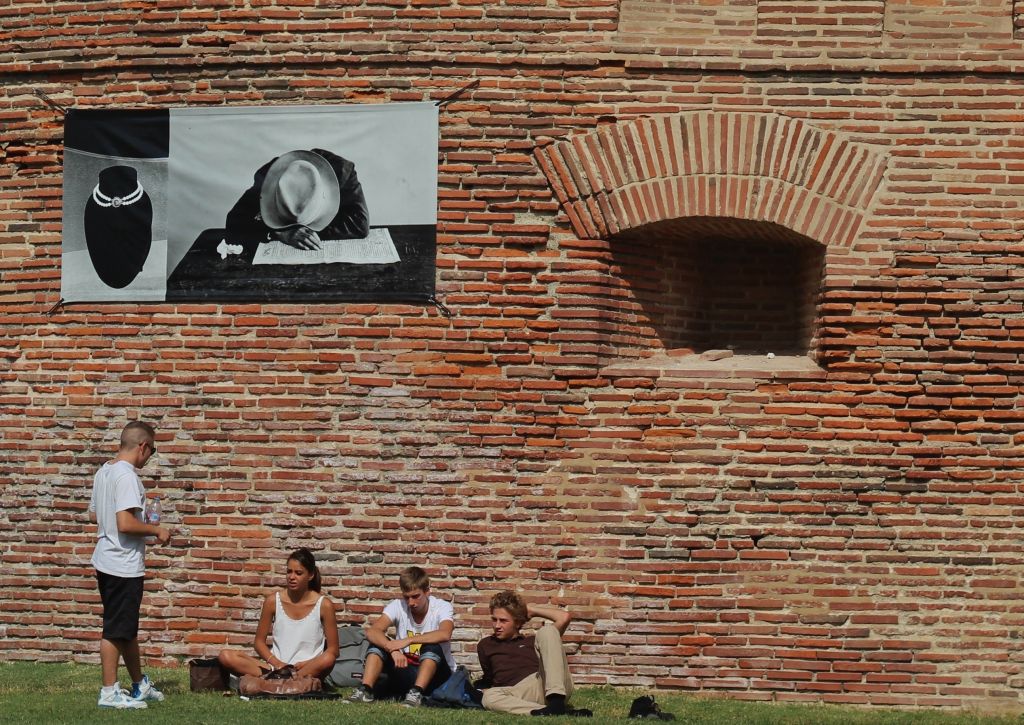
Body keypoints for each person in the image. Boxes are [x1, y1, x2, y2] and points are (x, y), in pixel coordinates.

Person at [88, 421, 171, 710]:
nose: (149, 458)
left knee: (126, 628)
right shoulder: (126, 476)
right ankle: (109, 692)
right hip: (121, 564)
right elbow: (124, 524)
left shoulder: (104, 472)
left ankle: (139, 684)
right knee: (114, 629)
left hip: (106, 558)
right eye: (152, 451)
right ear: (143, 446)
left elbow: (94, 516)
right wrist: (156, 530)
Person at [218, 548, 340, 680]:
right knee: (226, 656)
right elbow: (259, 642)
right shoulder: (272, 601)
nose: (292, 577)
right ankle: (283, 680)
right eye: (289, 572)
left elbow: (333, 650)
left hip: (306, 669)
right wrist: (278, 664)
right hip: (275, 668)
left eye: (298, 573)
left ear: (310, 576)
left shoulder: (324, 605)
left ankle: (287, 680)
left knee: (328, 659)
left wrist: (306, 664)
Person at [348, 566, 456, 707]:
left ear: (427, 591)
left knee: (432, 646)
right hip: (407, 670)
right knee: (378, 644)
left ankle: (417, 693)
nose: (411, 602)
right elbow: (372, 631)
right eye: (406, 597)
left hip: (438, 675)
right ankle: (366, 690)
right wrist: (392, 649)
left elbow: (445, 634)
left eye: (416, 596)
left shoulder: (442, 606)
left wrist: (407, 641)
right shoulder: (397, 606)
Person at [225, 148, 370, 251]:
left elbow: (360, 225)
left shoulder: (342, 171)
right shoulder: (270, 176)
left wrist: (307, 234)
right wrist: (280, 233)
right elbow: (234, 221)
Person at [476, 591, 592, 717]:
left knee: (548, 631)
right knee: (488, 697)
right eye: (494, 619)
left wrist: (530, 609)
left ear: (518, 622)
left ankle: (556, 701)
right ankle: (552, 710)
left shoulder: (534, 641)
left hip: (545, 684)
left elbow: (564, 617)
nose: (497, 625)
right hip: (518, 693)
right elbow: (489, 677)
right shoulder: (485, 644)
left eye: (503, 620)